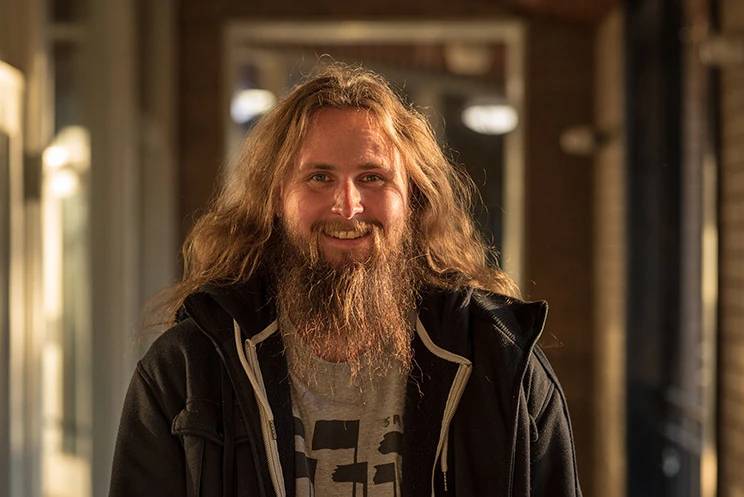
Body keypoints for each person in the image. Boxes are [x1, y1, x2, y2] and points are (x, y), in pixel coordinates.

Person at [109, 63, 582, 497]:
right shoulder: (187, 368)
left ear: (413, 199)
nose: (348, 206)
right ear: (275, 197)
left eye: (373, 177)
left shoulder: (500, 363)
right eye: (319, 177)